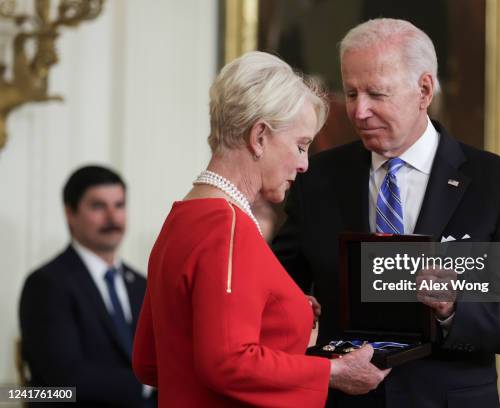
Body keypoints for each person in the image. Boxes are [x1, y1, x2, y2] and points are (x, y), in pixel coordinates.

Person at [272, 18, 500, 407]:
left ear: (423, 89)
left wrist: (454, 307)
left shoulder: (497, 184)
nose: (359, 111)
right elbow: (276, 288)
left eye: (376, 93)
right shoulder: (316, 178)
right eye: (351, 93)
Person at [131, 51, 389, 408]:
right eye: (300, 146)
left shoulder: (184, 216)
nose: (303, 164)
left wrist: (279, 317)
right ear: (259, 137)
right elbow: (227, 361)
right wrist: (333, 372)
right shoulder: (227, 227)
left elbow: (149, 362)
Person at [19, 165, 155, 407]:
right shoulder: (46, 284)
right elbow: (63, 380)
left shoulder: (142, 284)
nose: (112, 217)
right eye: (98, 206)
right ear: (70, 213)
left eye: (119, 205)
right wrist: (146, 385)